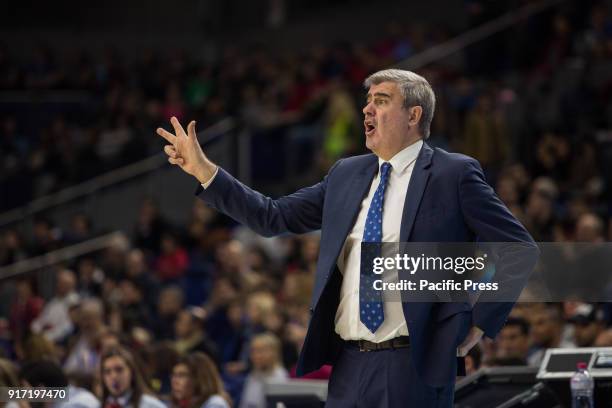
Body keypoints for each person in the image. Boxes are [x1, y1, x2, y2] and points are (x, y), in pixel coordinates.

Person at [157, 68, 537, 407]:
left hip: (412, 364)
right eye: (367, 102)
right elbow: (272, 216)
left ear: (414, 115)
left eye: (381, 101)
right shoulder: (346, 174)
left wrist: (479, 323)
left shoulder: (453, 173)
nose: (367, 110)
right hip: (348, 364)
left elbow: (518, 248)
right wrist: (205, 171)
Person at [100, 346, 166, 408]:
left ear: (131, 372)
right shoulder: (99, 405)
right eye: (107, 372)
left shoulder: (151, 405)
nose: (114, 376)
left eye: (119, 369)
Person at [239, 333, 288, 408]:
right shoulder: (252, 376)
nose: (255, 356)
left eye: (260, 351)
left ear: (274, 353)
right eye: (253, 351)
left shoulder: (280, 377)